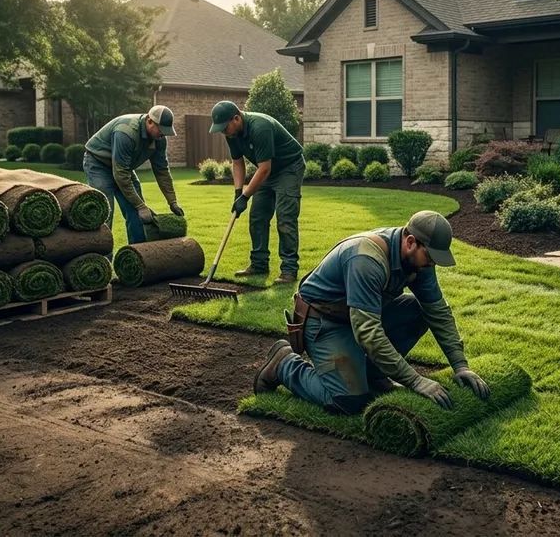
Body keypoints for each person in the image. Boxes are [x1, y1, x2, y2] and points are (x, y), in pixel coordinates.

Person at [253, 210, 490, 415]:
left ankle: (374, 375)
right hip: (325, 322)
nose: (432, 264)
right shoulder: (366, 260)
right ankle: (284, 364)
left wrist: (461, 366)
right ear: (410, 242)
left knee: (419, 311)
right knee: (349, 401)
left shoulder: (419, 260)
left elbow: (437, 311)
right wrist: (415, 381)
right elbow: (369, 334)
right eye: (430, 256)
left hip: (360, 315)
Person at [209, 100, 304, 284]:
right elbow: (237, 162)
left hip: (289, 168)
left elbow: (264, 169)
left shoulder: (260, 127)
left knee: (285, 217)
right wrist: (238, 192)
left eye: (224, 127)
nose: (223, 132)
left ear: (236, 118)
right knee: (257, 217)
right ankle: (259, 265)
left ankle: (289, 270)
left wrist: (246, 196)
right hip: (267, 171)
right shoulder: (232, 134)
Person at [83, 105, 183, 244]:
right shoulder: (126, 132)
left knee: (138, 214)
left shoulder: (159, 140)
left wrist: (172, 202)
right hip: (99, 164)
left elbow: (162, 171)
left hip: (123, 168)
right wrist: (141, 206)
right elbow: (121, 175)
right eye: (161, 130)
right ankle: (102, 260)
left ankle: (139, 254)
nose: (163, 135)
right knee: (105, 212)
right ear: (149, 121)